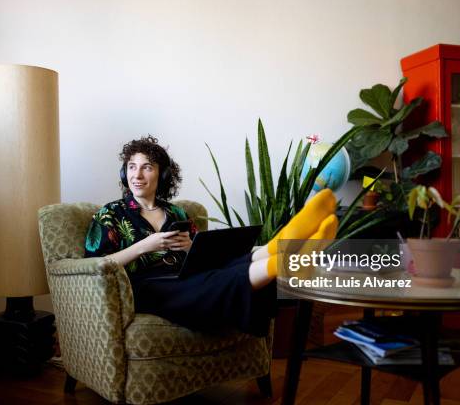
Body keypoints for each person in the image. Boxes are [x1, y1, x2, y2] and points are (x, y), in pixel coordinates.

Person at [84, 135, 338, 336]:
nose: (136, 175)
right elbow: (93, 266)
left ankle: (277, 248)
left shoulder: (176, 212)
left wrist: (188, 248)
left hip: (186, 276)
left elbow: (203, 257)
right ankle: (283, 262)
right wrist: (143, 246)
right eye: (131, 167)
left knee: (223, 267)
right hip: (147, 287)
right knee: (213, 281)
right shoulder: (110, 213)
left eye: (146, 167)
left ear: (161, 175)